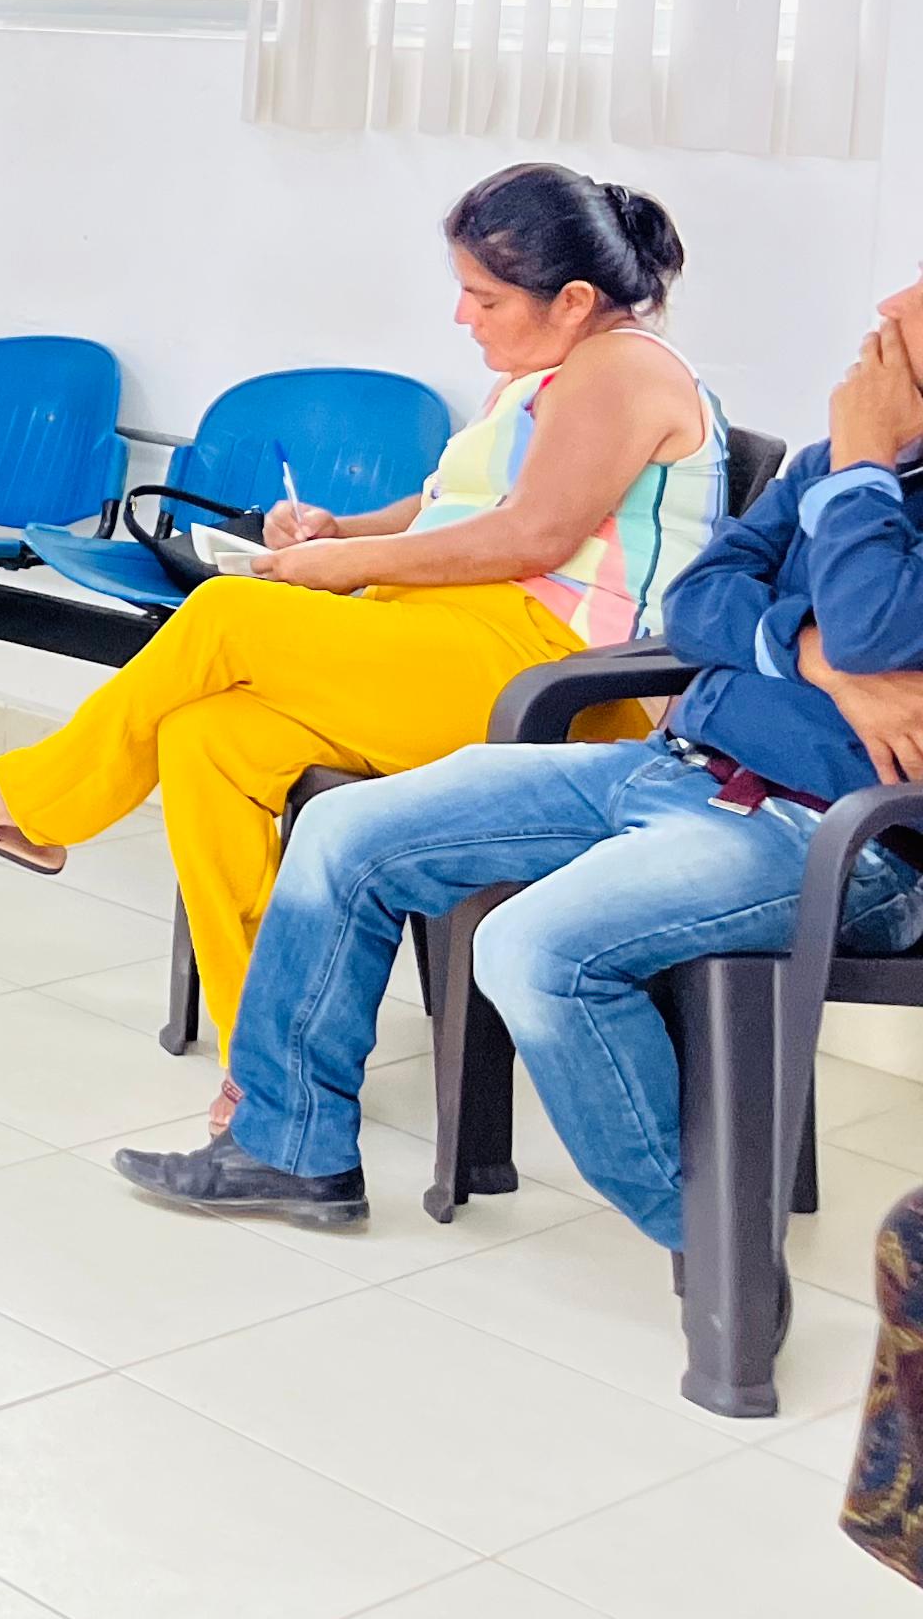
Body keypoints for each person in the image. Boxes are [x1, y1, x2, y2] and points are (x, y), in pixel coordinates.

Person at [117, 264, 923, 1237]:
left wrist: (863, 473)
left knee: (533, 948)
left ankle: (722, 1256)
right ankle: (290, 1149)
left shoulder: (857, 463)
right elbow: (700, 599)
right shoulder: (837, 461)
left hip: (843, 835)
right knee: (342, 833)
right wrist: (811, 653)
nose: (888, 306)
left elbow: (873, 624)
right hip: (678, 769)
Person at [0, 163, 723, 1063]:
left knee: (226, 613)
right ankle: (268, 1061)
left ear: (574, 300)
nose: (462, 316)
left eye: (484, 298)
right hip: (455, 646)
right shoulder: (543, 377)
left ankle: (30, 803)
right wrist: (336, 530)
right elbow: (449, 512)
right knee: (207, 738)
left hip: (553, 686)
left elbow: (533, 535)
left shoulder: (620, 369)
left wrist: (343, 566)